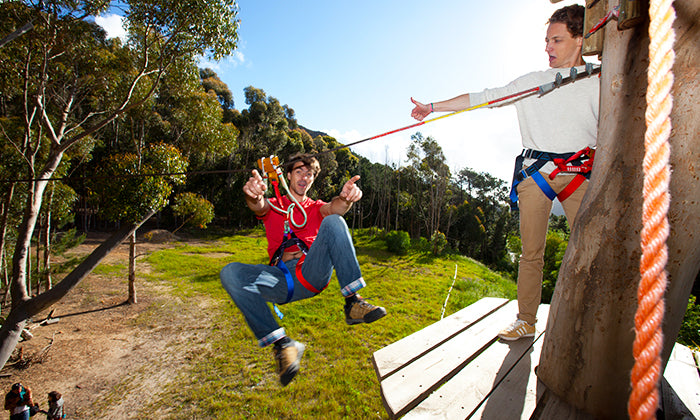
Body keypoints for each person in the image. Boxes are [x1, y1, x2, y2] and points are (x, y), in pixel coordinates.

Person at [410, 5, 599, 341]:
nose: (548, 47)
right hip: (536, 174)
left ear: (580, 39)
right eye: (546, 40)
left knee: (591, 251)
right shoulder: (533, 83)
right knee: (531, 254)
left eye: (556, 40)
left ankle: (590, 324)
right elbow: (485, 97)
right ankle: (526, 320)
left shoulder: (601, 79)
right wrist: (433, 107)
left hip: (579, 174)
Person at [220, 153, 388, 386]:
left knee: (334, 221)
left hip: (311, 271)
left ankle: (352, 302)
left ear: (312, 180)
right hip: (279, 279)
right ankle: (283, 346)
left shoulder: (315, 207)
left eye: (309, 174)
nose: (304, 177)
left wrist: (346, 198)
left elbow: (336, 208)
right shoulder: (275, 204)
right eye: (299, 171)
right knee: (230, 272)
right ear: (287, 175)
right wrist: (253, 194)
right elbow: (259, 206)